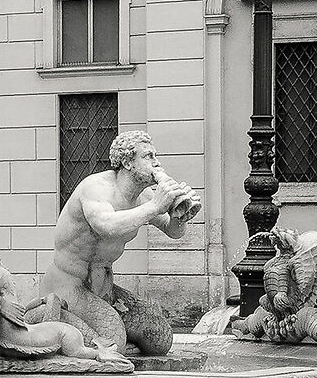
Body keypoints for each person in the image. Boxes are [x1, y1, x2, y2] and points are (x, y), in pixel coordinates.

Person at [34, 130, 200, 358]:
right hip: (68, 285)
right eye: (148, 156)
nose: (157, 162)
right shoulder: (97, 187)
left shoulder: (142, 197)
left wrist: (181, 217)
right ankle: (50, 316)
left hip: (105, 288)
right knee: (112, 345)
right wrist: (154, 207)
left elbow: (173, 232)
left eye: (155, 155)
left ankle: (95, 326)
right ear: (128, 162)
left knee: (160, 338)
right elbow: (106, 225)